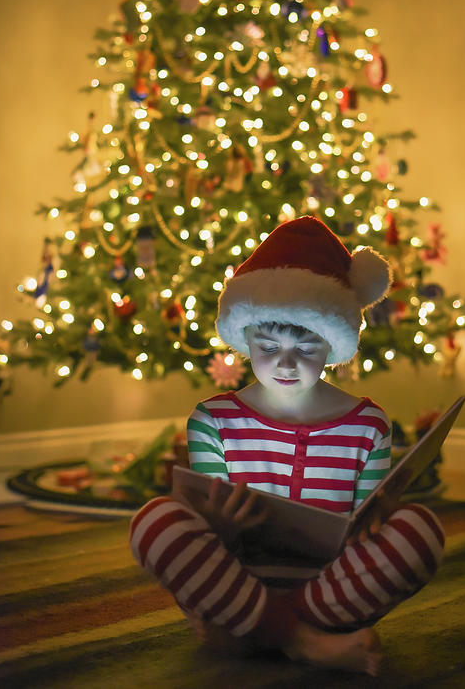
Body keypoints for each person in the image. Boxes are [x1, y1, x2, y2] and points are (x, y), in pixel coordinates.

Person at [129, 217, 445, 675]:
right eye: (269, 345)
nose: (285, 363)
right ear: (245, 338)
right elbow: (207, 533)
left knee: (421, 529)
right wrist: (219, 523)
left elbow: (361, 529)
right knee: (155, 522)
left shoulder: (368, 425)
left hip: (326, 593)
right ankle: (303, 642)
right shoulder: (213, 420)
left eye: (306, 348)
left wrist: (374, 521)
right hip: (233, 582)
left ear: (332, 344)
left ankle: (272, 630)